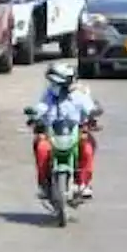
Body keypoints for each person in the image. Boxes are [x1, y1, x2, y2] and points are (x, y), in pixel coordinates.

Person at [27, 62, 100, 200]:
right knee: (42, 148)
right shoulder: (49, 94)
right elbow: (41, 107)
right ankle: (44, 184)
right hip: (52, 132)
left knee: (87, 149)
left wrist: (93, 115)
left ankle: (83, 183)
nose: (52, 84)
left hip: (75, 132)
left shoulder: (80, 94)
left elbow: (90, 109)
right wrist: (34, 116)